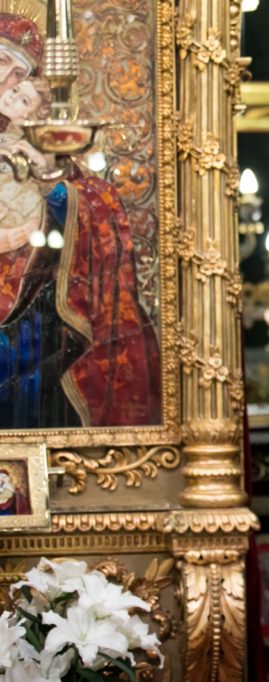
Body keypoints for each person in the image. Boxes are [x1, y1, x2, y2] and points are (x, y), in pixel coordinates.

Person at [0, 11, 161, 428]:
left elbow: (89, 204)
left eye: (18, 75)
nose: (7, 84)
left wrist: (51, 186)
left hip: (27, 328)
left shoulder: (41, 154)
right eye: (2, 65)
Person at [0, 77, 49, 242]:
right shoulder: (7, 135)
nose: (12, 97)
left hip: (14, 214)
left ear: (29, 115)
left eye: (24, 100)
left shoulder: (24, 145)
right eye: (15, 90)